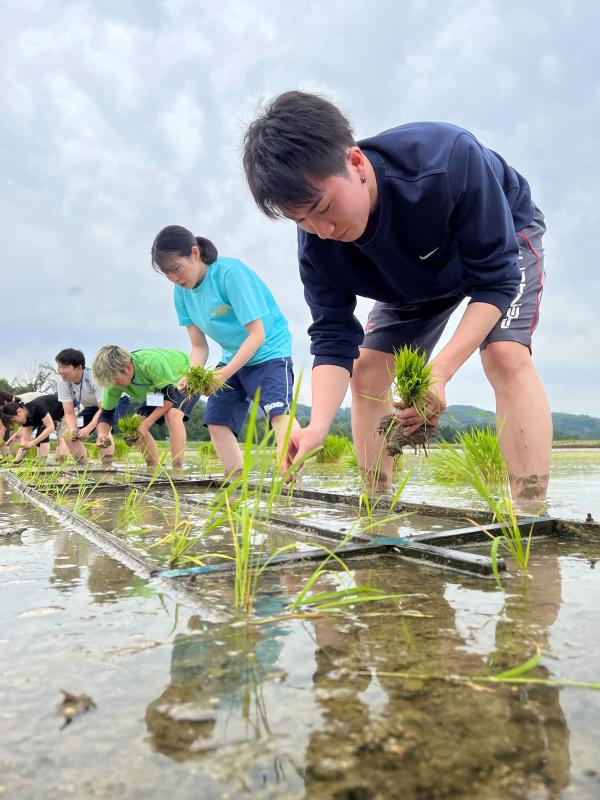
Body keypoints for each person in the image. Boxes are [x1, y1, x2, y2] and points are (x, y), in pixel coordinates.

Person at [242, 90, 552, 502]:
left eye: (325, 207)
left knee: (504, 354)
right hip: (415, 275)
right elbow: (333, 337)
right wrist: (316, 426)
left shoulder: (445, 160)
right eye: (303, 220)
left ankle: (530, 508)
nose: (324, 229)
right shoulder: (317, 246)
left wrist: (439, 373)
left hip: (501, 239)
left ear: (355, 162)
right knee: (368, 371)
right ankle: (377, 503)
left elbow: (495, 281)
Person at [150, 226, 300, 476]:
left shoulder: (230, 274)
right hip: (233, 357)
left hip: (269, 352)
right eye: (167, 274)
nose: (174, 278)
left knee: (278, 415)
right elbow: (199, 346)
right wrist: (193, 375)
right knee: (217, 420)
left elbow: (257, 334)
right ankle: (237, 486)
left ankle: (293, 484)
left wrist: (223, 375)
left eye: (176, 268)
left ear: (195, 253)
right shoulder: (181, 293)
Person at [92, 345, 197, 468]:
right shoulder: (112, 383)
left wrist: (146, 423)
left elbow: (170, 399)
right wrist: (102, 434)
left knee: (172, 415)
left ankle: (177, 468)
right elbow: (106, 414)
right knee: (134, 424)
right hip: (157, 389)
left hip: (185, 375)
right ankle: (153, 466)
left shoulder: (150, 364)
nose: (113, 384)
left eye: (115, 380)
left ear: (128, 367)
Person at [55, 347, 115, 467]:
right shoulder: (63, 382)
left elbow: (103, 410)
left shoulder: (94, 377)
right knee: (68, 435)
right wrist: (73, 429)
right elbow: (69, 413)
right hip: (92, 406)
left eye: (64, 367)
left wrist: (87, 430)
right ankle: (83, 466)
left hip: (113, 403)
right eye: (59, 366)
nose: (61, 371)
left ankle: (107, 466)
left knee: (102, 428)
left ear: (79, 368)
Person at [1, 393, 66, 462]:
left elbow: (50, 428)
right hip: (57, 416)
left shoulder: (37, 407)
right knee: (60, 446)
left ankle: (65, 466)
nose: (16, 423)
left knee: (62, 439)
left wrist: (33, 442)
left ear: (19, 412)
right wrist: (16, 460)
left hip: (68, 408)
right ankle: (61, 464)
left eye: (14, 420)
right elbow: (25, 440)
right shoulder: (26, 418)